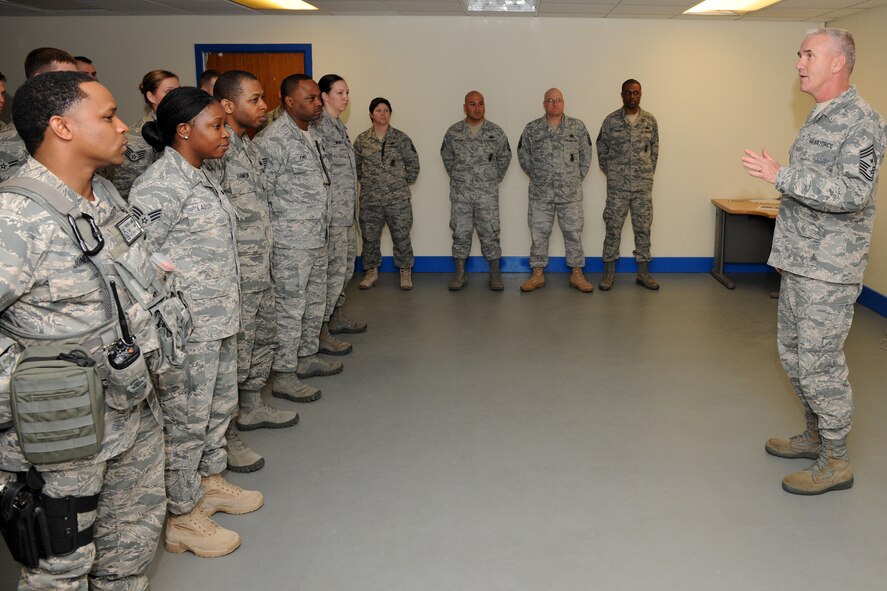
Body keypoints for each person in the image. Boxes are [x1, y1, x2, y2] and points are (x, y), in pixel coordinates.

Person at [0, 71, 166, 590]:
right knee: (60, 573)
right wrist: (26, 386)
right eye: (107, 115)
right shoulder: (16, 218)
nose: (123, 127)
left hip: (130, 413)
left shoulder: (106, 200)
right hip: (61, 437)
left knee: (130, 553)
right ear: (62, 127)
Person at [742, 28, 887, 495]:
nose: (799, 62)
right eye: (799, 54)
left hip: (830, 269)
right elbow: (806, 197)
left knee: (821, 363)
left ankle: (836, 460)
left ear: (838, 63)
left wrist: (779, 175)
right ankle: (814, 435)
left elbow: (853, 193)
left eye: (809, 54)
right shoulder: (820, 115)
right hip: (802, 261)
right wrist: (784, 251)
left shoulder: (862, 122)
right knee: (794, 356)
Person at [130, 87, 263, 556]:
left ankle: (208, 483)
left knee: (216, 409)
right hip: (188, 331)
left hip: (220, 318)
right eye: (216, 126)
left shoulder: (200, 175)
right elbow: (138, 264)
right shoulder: (158, 186)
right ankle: (183, 516)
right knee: (186, 420)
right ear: (184, 130)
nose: (225, 133)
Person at [205, 70, 299, 475]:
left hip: (262, 266)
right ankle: (227, 436)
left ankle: (253, 407)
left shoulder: (247, 146)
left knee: (262, 340)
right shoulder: (218, 153)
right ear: (228, 106)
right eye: (256, 99)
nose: (264, 107)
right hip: (237, 274)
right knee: (232, 358)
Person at [256, 73, 342, 404]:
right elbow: (261, 194)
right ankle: (285, 375)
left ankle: (306, 357)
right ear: (289, 102)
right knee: (291, 308)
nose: (317, 103)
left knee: (313, 301)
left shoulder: (310, 134)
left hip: (316, 235)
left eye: (318, 98)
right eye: (310, 98)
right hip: (290, 242)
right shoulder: (273, 140)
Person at [517, 88, 594, 293]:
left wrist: (575, 178)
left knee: (573, 233)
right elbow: (523, 156)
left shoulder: (577, 127)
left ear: (563, 103)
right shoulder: (532, 129)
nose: (554, 104)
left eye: (558, 100)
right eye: (550, 100)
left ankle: (577, 274)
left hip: (570, 194)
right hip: (541, 194)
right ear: (544, 104)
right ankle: (537, 274)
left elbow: (586, 155)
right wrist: (538, 176)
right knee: (539, 233)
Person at [312, 74, 367, 354]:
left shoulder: (338, 126)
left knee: (344, 270)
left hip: (346, 215)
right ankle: (320, 332)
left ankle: (334, 318)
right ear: (324, 96)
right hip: (331, 217)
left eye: (347, 92)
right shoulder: (318, 127)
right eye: (339, 93)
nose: (345, 98)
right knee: (330, 274)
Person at [441, 90, 512, 291]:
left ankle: (495, 275)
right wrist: (460, 178)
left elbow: (505, 157)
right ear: (465, 107)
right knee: (460, 233)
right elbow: (447, 158)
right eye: (472, 104)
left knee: (490, 232)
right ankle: (460, 275)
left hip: (486, 194)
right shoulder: (453, 132)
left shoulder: (495, 132)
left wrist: (490, 180)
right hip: (461, 194)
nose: (477, 107)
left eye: (480, 103)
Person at [596, 79, 660, 291]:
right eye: (628, 93)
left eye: (636, 93)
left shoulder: (650, 121)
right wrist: (615, 173)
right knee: (612, 228)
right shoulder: (611, 121)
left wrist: (645, 174)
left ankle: (643, 274)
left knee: (643, 228)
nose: (632, 97)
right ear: (621, 94)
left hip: (642, 187)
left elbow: (654, 153)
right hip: (617, 188)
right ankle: (608, 274)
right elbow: (601, 151)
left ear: (641, 94)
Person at [354, 97, 420, 290]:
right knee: (370, 237)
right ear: (371, 114)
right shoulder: (362, 140)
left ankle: (405, 272)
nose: (383, 114)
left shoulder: (401, 138)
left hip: (397, 200)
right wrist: (371, 183)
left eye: (386, 111)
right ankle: (371, 272)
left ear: (390, 114)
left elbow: (413, 166)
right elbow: (356, 168)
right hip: (370, 200)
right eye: (378, 110)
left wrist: (397, 183)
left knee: (402, 236)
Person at [0, 48, 79, 183]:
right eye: (66, 78)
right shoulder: (7, 142)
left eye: (76, 79)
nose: (75, 86)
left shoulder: (79, 134)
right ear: (40, 80)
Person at [109, 69, 180, 199]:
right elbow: (125, 190)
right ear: (151, 97)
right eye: (169, 92)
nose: (176, 96)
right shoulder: (135, 137)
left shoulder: (180, 127)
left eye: (178, 91)